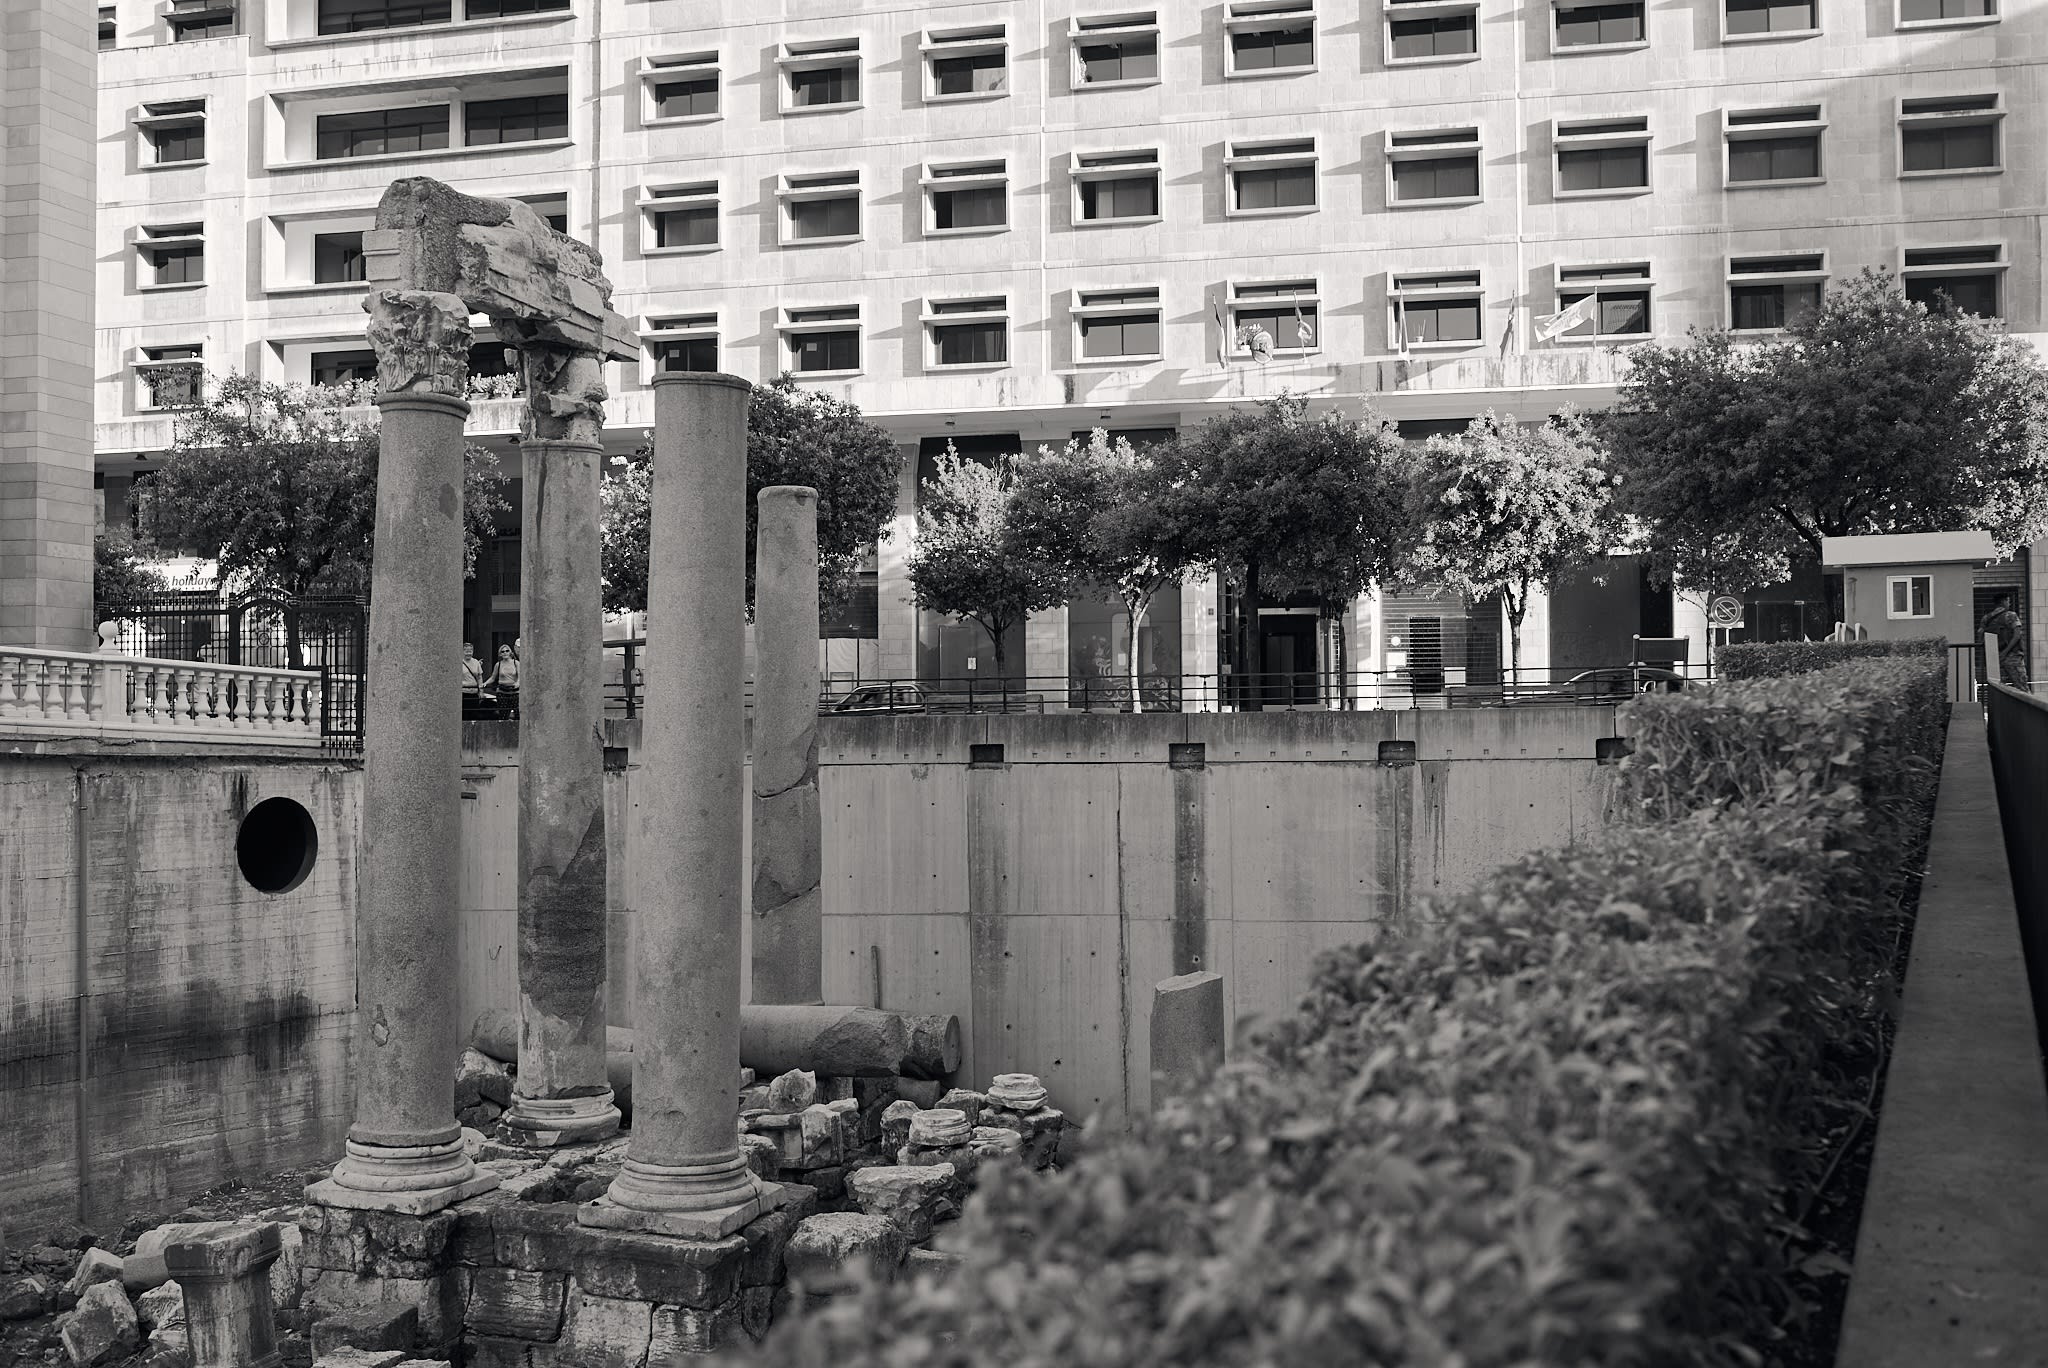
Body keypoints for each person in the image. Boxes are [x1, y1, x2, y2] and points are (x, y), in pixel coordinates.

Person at [1979, 592, 2031, 689]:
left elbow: (1980, 636)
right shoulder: (2011, 615)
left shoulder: (1986, 618)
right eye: (2008, 601)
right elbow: (2017, 635)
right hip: (2012, 656)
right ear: (2004, 601)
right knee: (2022, 687)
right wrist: (2005, 651)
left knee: (1999, 689)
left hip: (1994, 659)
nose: (2009, 604)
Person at [488, 643, 522, 718]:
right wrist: (484, 684)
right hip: (502, 691)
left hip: (515, 691)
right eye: (502, 651)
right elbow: (493, 678)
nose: (505, 653)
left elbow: (520, 676)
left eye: (507, 651)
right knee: (503, 714)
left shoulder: (516, 663)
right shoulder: (498, 664)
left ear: (510, 652)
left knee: (517, 713)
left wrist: (518, 683)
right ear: (500, 654)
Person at [461, 642, 485, 716]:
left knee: (474, 714)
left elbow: (479, 677)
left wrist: (481, 691)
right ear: (462, 651)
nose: (468, 653)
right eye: (466, 651)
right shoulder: (459, 662)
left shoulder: (476, 662)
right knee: (464, 715)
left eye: (470, 651)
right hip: (463, 693)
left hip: (474, 693)